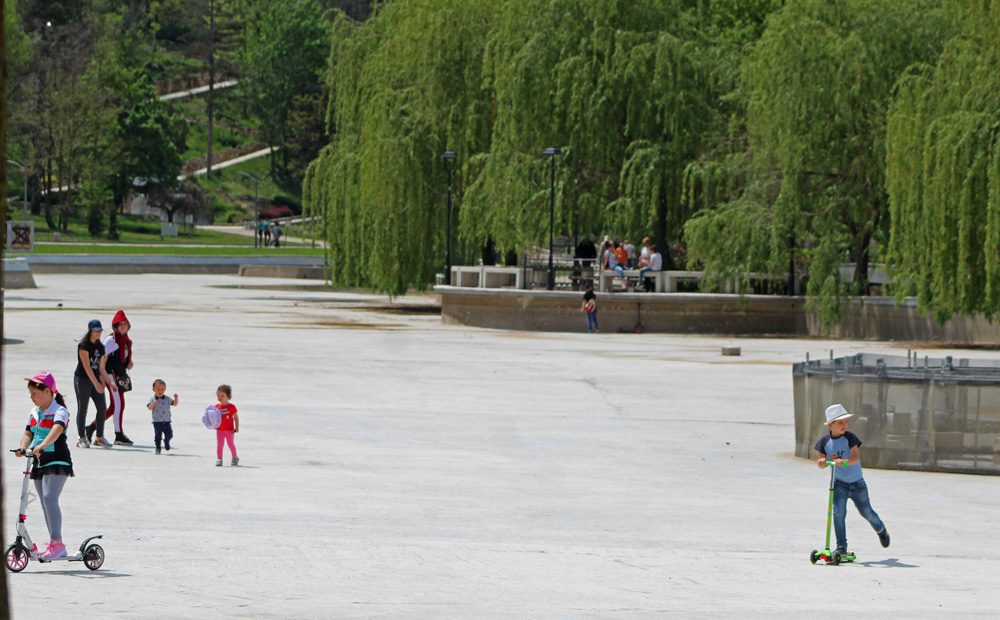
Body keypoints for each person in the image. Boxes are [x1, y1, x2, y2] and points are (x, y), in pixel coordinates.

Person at [815, 404, 891, 555]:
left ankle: (880, 529)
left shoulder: (850, 438)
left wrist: (843, 461)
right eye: (840, 422)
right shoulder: (824, 442)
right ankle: (841, 547)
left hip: (857, 484)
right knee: (838, 513)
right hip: (839, 484)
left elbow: (855, 457)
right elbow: (821, 462)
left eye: (846, 422)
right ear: (830, 425)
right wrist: (822, 462)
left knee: (866, 511)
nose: (844, 425)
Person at [16, 372, 74, 560]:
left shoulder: (59, 411)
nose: (32, 397)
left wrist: (42, 445)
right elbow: (28, 433)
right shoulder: (34, 412)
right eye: (30, 394)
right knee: (44, 501)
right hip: (38, 460)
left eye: (34, 393)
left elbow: (57, 429)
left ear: (48, 391)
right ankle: (53, 543)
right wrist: (22, 447)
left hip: (57, 459)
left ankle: (58, 544)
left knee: (50, 498)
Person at [86, 310, 134, 446]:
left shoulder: (126, 341)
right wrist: (101, 379)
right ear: (115, 326)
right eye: (120, 324)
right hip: (109, 376)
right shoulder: (111, 340)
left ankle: (91, 428)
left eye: (125, 324)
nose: (123, 326)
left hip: (119, 377)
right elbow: (102, 360)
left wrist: (130, 363)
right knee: (119, 404)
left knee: (114, 406)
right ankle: (119, 434)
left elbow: (124, 358)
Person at [74, 319, 113, 448]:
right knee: (83, 408)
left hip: (95, 380)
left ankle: (99, 437)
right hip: (82, 379)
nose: (99, 333)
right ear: (90, 330)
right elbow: (87, 367)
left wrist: (108, 383)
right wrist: (96, 383)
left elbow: (101, 368)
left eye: (100, 330)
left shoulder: (101, 347)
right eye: (96, 330)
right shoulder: (83, 346)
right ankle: (81, 437)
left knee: (102, 408)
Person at [148, 379, 179, 455]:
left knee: (170, 434)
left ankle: (166, 441)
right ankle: (158, 447)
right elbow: (149, 408)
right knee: (158, 436)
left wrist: (176, 398)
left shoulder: (167, 398)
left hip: (167, 421)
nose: (160, 391)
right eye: (158, 389)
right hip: (157, 422)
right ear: (153, 389)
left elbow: (174, 404)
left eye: (162, 389)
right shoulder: (152, 399)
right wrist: (153, 404)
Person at [213, 384, 240, 467]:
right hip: (220, 430)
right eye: (218, 395)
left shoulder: (231, 407)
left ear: (228, 396)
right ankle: (219, 459)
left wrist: (237, 427)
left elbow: (236, 417)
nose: (220, 397)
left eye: (222, 395)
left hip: (229, 430)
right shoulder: (216, 407)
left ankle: (235, 457)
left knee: (230, 444)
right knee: (219, 445)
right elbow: (214, 418)